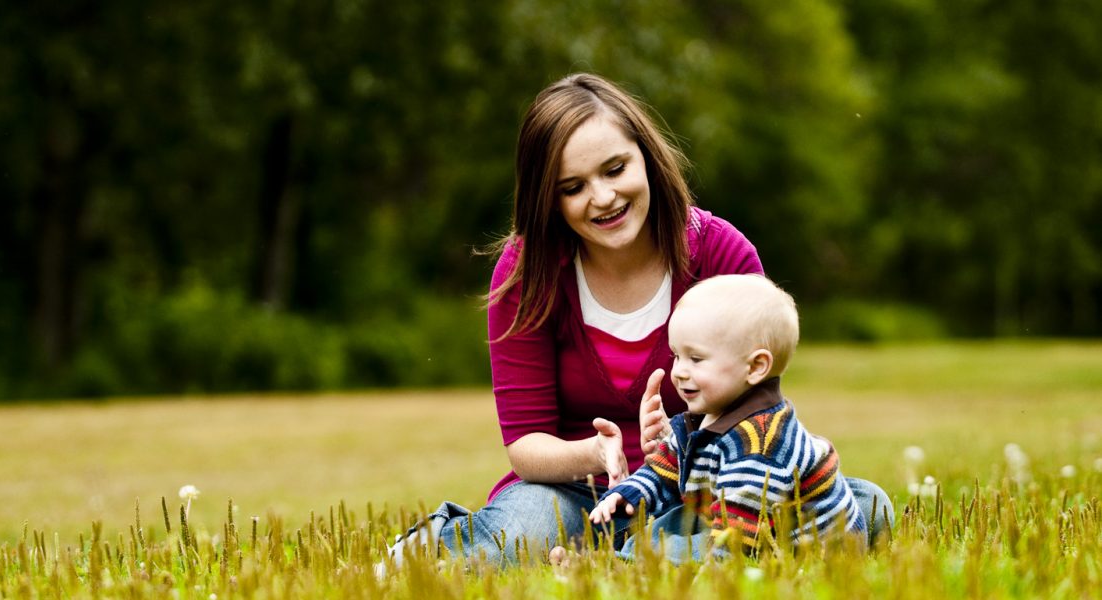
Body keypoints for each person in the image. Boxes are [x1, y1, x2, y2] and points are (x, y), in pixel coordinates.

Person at [381, 72, 891, 570]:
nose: (603, 198)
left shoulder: (720, 252)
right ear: (548, 199)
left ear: (646, 157)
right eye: (573, 187)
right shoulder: (526, 274)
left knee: (864, 506)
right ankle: (433, 551)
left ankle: (611, 561)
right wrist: (598, 453)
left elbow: (756, 397)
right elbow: (526, 446)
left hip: (702, 491)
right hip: (575, 494)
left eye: (614, 168)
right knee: (523, 527)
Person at [588, 274, 867, 563]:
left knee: (673, 546)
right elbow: (665, 468)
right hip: (733, 519)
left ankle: (624, 562)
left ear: (756, 367)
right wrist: (630, 493)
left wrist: (702, 565)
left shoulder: (758, 444)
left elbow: (735, 545)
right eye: (676, 356)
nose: (680, 371)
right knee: (664, 527)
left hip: (793, 547)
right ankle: (623, 553)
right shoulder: (704, 417)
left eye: (696, 359)